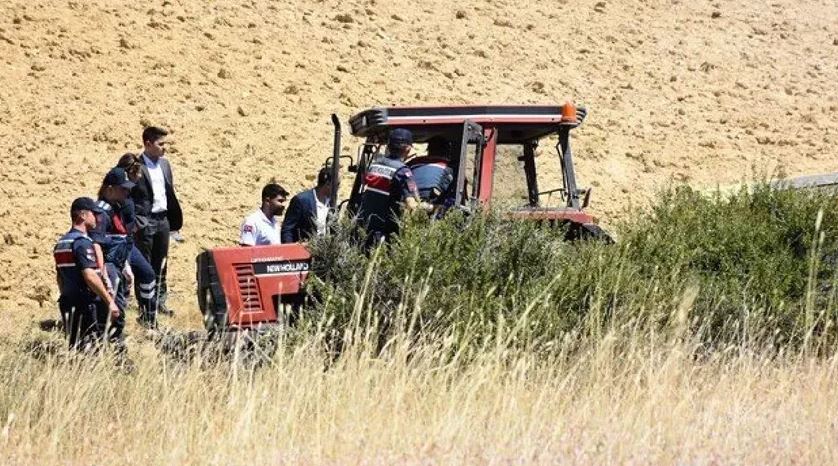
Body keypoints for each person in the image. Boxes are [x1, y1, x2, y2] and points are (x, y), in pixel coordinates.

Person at [92, 167, 160, 328]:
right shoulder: (101, 211)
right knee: (118, 290)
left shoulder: (118, 205)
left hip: (126, 247)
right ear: (110, 189)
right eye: (122, 189)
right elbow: (99, 243)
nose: (126, 193)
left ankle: (149, 318)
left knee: (148, 274)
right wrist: (122, 265)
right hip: (114, 256)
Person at [53, 197, 122, 350]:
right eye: (93, 213)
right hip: (85, 305)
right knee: (91, 351)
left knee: (76, 348)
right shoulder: (82, 243)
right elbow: (89, 275)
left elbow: (60, 277)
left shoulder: (61, 243)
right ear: (82, 215)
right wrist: (109, 301)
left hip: (68, 303)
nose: (96, 217)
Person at [131, 126, 182, 316]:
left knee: (161, 263)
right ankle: (145, 305)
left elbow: (169, 192)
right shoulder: (136, 165)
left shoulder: (165, 165)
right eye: (160, 144)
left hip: (163, 220)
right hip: (145, 221)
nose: (164, 148)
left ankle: (160, 302)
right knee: (145, 265)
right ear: (147, 144)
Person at [355, 128, 425, 247]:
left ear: (389, 146)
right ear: (407, 149)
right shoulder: (402, 172)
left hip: (364, 229)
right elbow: (412, 205)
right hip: (384, 233)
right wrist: (432, 208)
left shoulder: (374, 165)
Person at [281, 167, 333, 243]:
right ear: (328, 184)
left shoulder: (331, 203)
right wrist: (290, 251)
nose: (338, 188)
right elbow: (287, 230)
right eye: (337, 185)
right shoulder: (301, 200)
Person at [407, 136, 455, 205]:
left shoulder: (414, 161)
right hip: (434, 201)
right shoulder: (451, 166)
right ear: (447, 151)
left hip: (411, 197)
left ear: (429, 150)